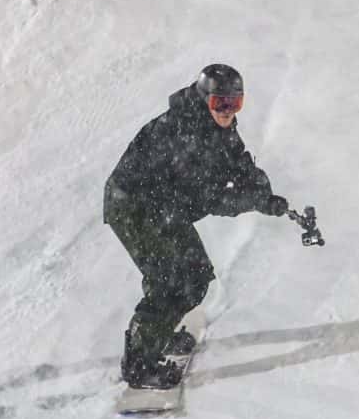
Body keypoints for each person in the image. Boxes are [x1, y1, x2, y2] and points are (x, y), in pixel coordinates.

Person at [104, 64, 289, 388]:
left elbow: (236, 158)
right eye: (221, 103)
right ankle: (139, 364)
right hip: (134, 207)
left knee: (194, 275)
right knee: (171, 281)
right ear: (205, 100)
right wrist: (253, 203)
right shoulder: (184, 133)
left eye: (236, 103)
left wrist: (261, 189)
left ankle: (156, 335)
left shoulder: (214, 124)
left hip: (165, 208)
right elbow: (207, 198)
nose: (228, 112)